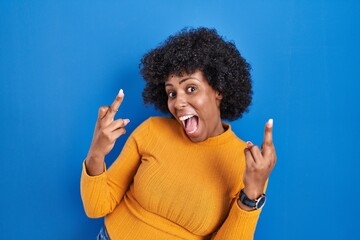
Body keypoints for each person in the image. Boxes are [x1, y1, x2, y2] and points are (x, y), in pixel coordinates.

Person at [80, 27, 276, 240]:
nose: (178, 102)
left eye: (191, 88)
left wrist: (251, 196)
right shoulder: (152, 130)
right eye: (171, 93)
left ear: (218, 90)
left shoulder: (247, 164)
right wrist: (96, 153)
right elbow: (96, 207)